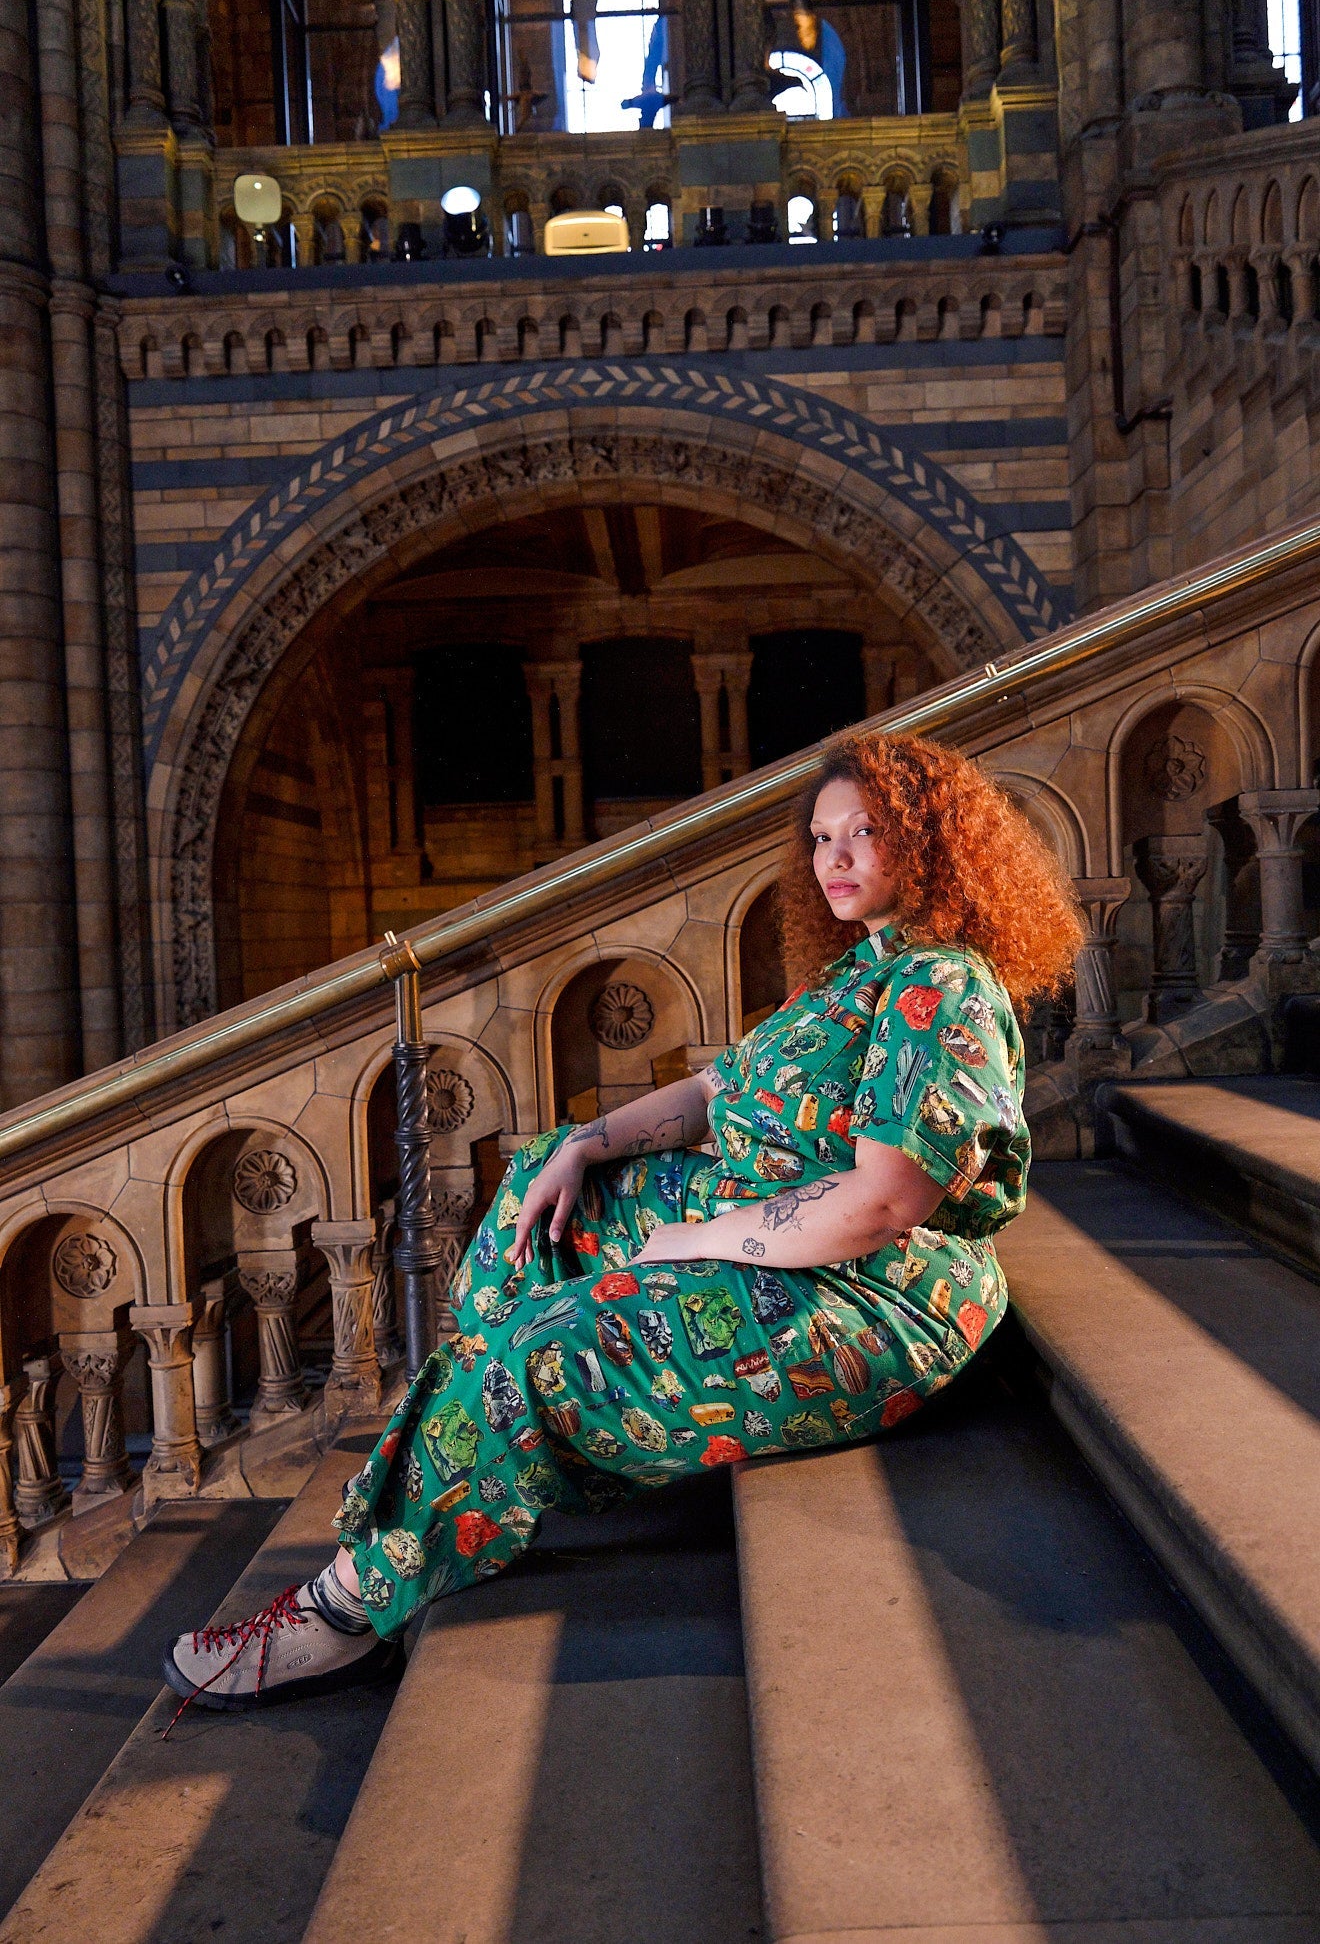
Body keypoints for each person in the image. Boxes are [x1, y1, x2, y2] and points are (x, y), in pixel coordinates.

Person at [164, 731, 1082, 1712]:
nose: (837, 860)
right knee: (539, 1198)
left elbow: (887, 1203)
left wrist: (692, 1240)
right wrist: (587, 1143)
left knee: (542, 1350)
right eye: (822, 838)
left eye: (866, 833)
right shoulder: (865, 970)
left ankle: (344, 1614)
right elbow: (720, 1088)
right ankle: (468, 1456)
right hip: (786, 1224)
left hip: (878, 1293)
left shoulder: (944, 986)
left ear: (932, 844)